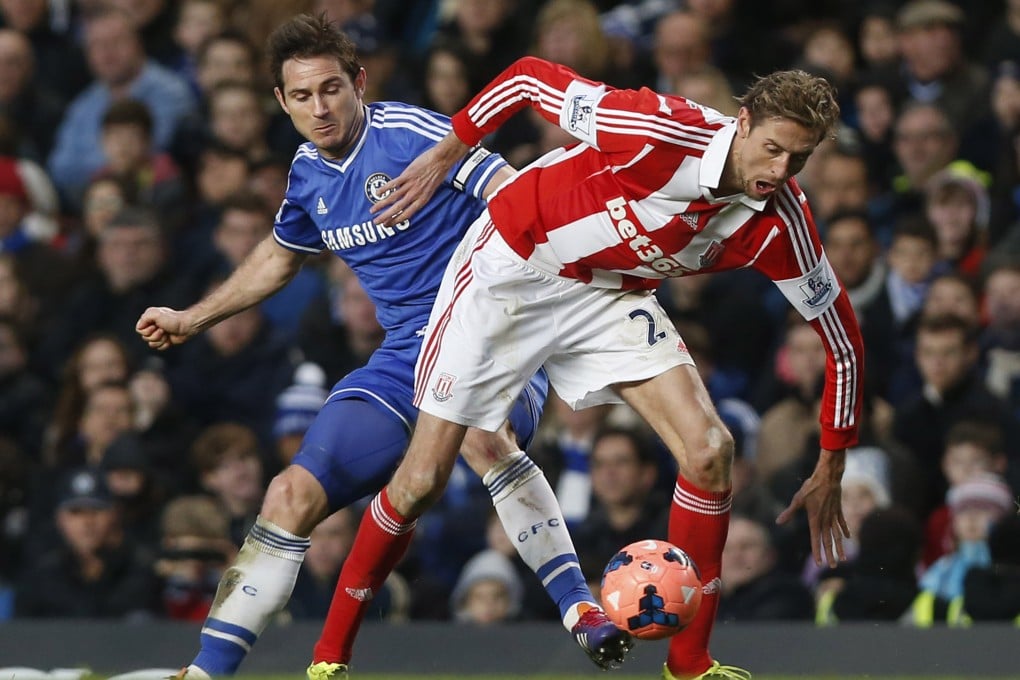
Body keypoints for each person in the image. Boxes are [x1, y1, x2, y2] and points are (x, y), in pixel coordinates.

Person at [135, 14, 627, 679]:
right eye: (302, 96)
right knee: (289, 494)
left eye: (331, 89)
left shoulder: (412, 134)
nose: (320, 108)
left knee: (482, 437)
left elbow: (516, 197)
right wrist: (194, 318)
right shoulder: (307, 174)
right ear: (281, 101)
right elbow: (280, 256)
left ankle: (580, 610)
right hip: (404, 357)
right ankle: (205, 672)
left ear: (359, 83)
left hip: (495, 333)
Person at [342, 55, 864, 680]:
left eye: (798, 159)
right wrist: (446, 152)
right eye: (773, 149)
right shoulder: (657, 130)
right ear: (743, 121)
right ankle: (329, 657)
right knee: (422, 479)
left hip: (605, 292)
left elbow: (843, 342)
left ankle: (690, 666)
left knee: (710, 450)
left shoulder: (782, 221)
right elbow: (527, 78)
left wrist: (832, 459)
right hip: (512, 268)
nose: (779, 171)